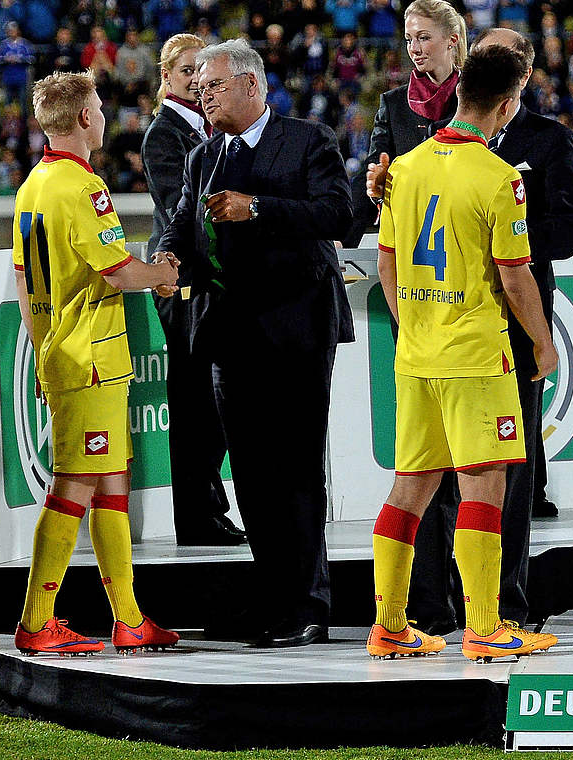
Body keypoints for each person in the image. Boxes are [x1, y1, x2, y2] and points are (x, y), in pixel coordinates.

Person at [153, 39, 354, 648]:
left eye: (212, 86)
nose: (201, 94)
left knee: (294, 472)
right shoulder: (202, 156)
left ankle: (309, 604)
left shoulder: (308, 139)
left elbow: (339, 216)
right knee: (251, 476)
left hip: (296, 329)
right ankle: (271, 598)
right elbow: (180, 224)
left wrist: (258, 209)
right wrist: (165, 255)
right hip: (229, 334)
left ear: (250, 86)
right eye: (199, 87)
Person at [366, 45, 560, 662]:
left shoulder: (406, 166)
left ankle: (389, 625)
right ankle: (484, 626)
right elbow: (517, 279)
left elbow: (388, 262)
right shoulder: (499, 178)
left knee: (409, 489)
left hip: (418, 354)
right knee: (484, 484)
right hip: (477, 357)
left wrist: (415, 325)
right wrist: (543, 341)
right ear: (508, 105)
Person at [11, 71, 181, 656]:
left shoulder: (33, 186)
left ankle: (129, 617)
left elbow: (21, 278)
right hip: (90, 356)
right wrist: (162, 273)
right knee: (75, 487)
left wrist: (42, 347)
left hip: (68, 352)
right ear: (84, 117)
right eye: (100, 107)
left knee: (110, 484)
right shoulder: (82, 190)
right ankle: (36, 620)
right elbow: (119, 271)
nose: (105, 117)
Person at [343, 0, 467, 639]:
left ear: (454, 41)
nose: (414, 48)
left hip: (471, 303)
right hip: (416, 305)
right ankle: (424, 606)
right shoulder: (394, 108)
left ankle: (488, 606)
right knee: (421, 468)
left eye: (425, 38)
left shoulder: (480, 103)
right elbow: (376, 196)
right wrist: (373, 183)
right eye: (409, 39)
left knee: (471, 467)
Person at [468, 27, 573, 629]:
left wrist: (504, 241)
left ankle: (506, 602)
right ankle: (444, 602)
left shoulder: (549, 140)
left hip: (514, 324)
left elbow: (567, 234)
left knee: (511, 471)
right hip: (454, 321)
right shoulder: (445, 141)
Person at [141, 33, 246, 547]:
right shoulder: (165, 136)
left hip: (207, 284)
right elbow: (175, 211)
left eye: (201, 72)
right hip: (183, 284)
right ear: (166, 77)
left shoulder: (212, 134)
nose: (195, 81)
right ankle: (197, 514)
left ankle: (210, 507)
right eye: (186, 71)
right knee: (193, 404)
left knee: (212, 405)